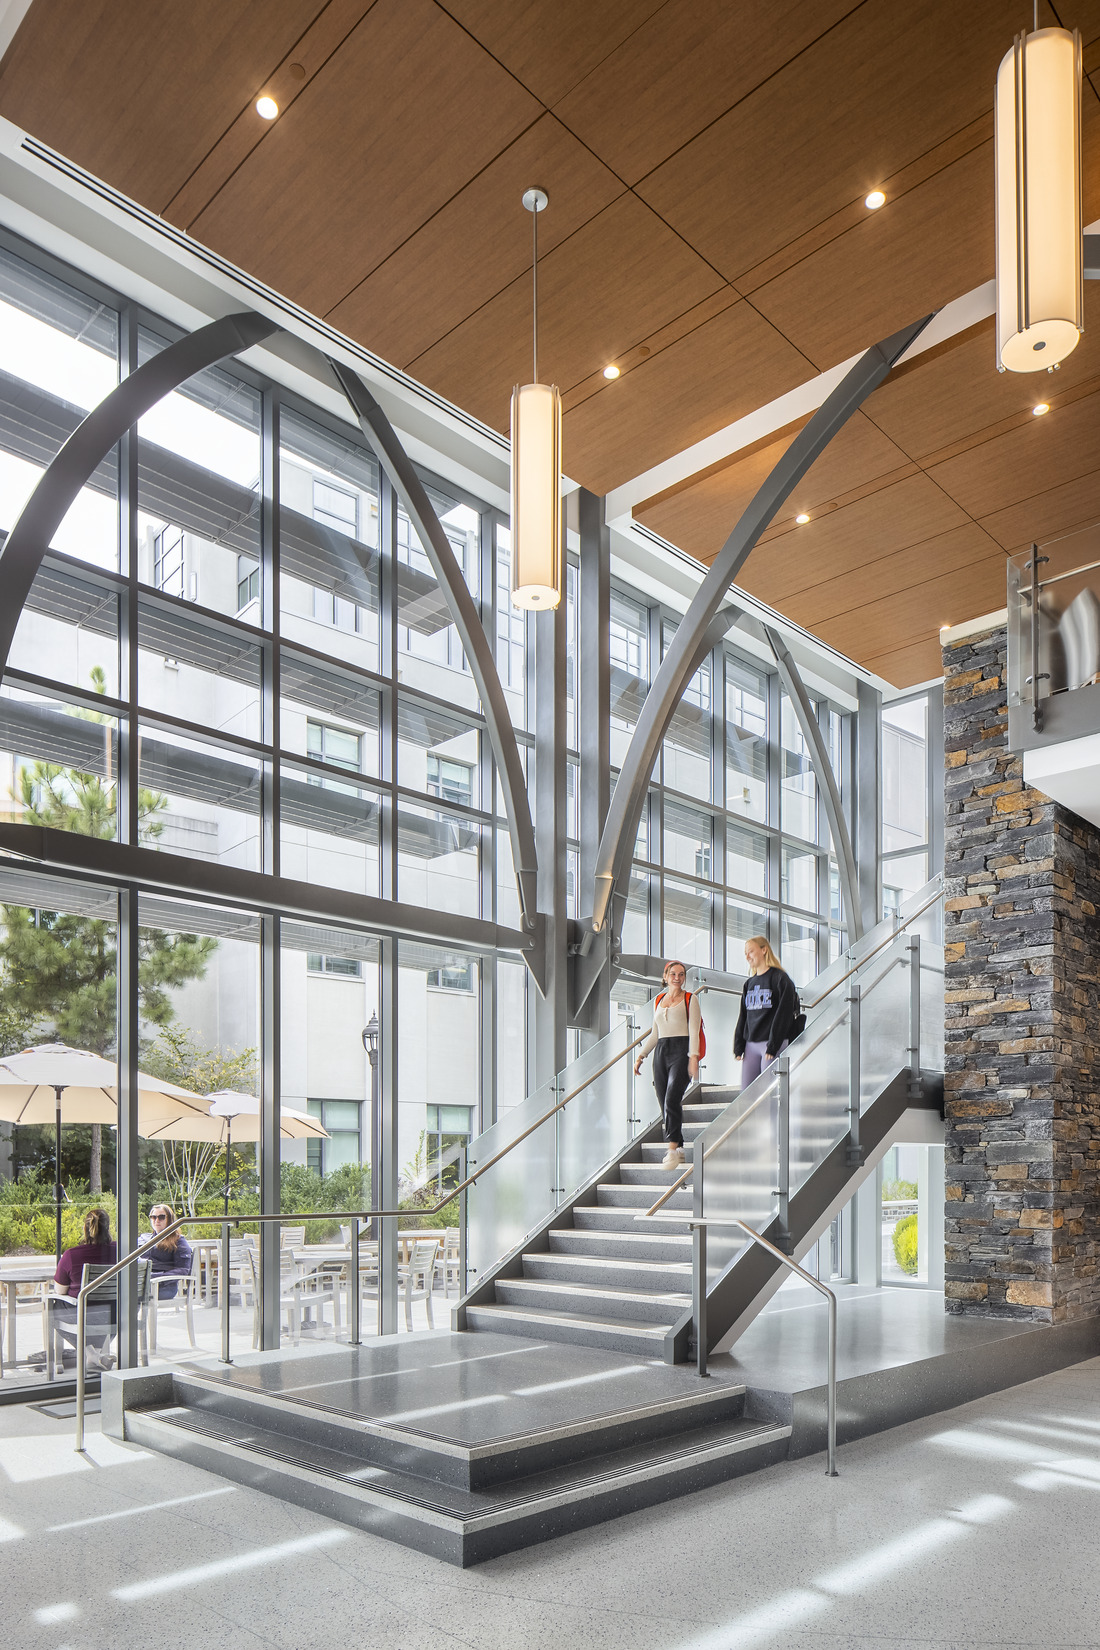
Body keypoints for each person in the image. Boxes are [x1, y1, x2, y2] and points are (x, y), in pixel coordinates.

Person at [633, 959, 701, 1170]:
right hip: (661, 1052)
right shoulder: (659, 1000)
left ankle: (672, 1149)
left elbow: (694, 1031)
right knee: (663, 1099)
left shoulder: (691, 999)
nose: (677, 978)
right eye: (673, 974)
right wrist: (641, 1055)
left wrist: (693, 1057)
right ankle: (678, 1145)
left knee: (672, 1096)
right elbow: (655, 1034)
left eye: (681, 974)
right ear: (665, 977)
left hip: (681, 1051)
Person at [50, 1206, 117, 1371]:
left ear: (85, 1229)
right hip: (115, 1314)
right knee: (102, 1308)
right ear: (108, 1227)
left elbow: (60, 1291)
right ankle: (95, 1356)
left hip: (84, 1315)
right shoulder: (121, 1251)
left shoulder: (72, 1255)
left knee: (54, 1307)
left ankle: (91, 1354)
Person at [734, 935, 799, 1090]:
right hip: (751, 1044)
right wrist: (739, 1045)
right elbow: (744, 1016)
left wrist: (773, 1045)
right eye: (745, 953)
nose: (747, 956)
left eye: (750, 951)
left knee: (769, 1093)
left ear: (764, 950)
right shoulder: (749, 983)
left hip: (772, 1043)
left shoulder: (780, 979)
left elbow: (784, 1014)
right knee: (747, 1093)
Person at [140, 1204, 193, 1303]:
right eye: (153, 1217)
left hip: (164, 1287)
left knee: (128, 1294)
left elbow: (183, 1270)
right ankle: (136, 1318)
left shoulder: (178, 1241)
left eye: (161, 1217)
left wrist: (156, 1277)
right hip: (141, 1283)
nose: (157, 1220)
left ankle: (137, 1318)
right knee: (122, 1291)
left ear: (170, 1219)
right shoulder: (144, 1239)